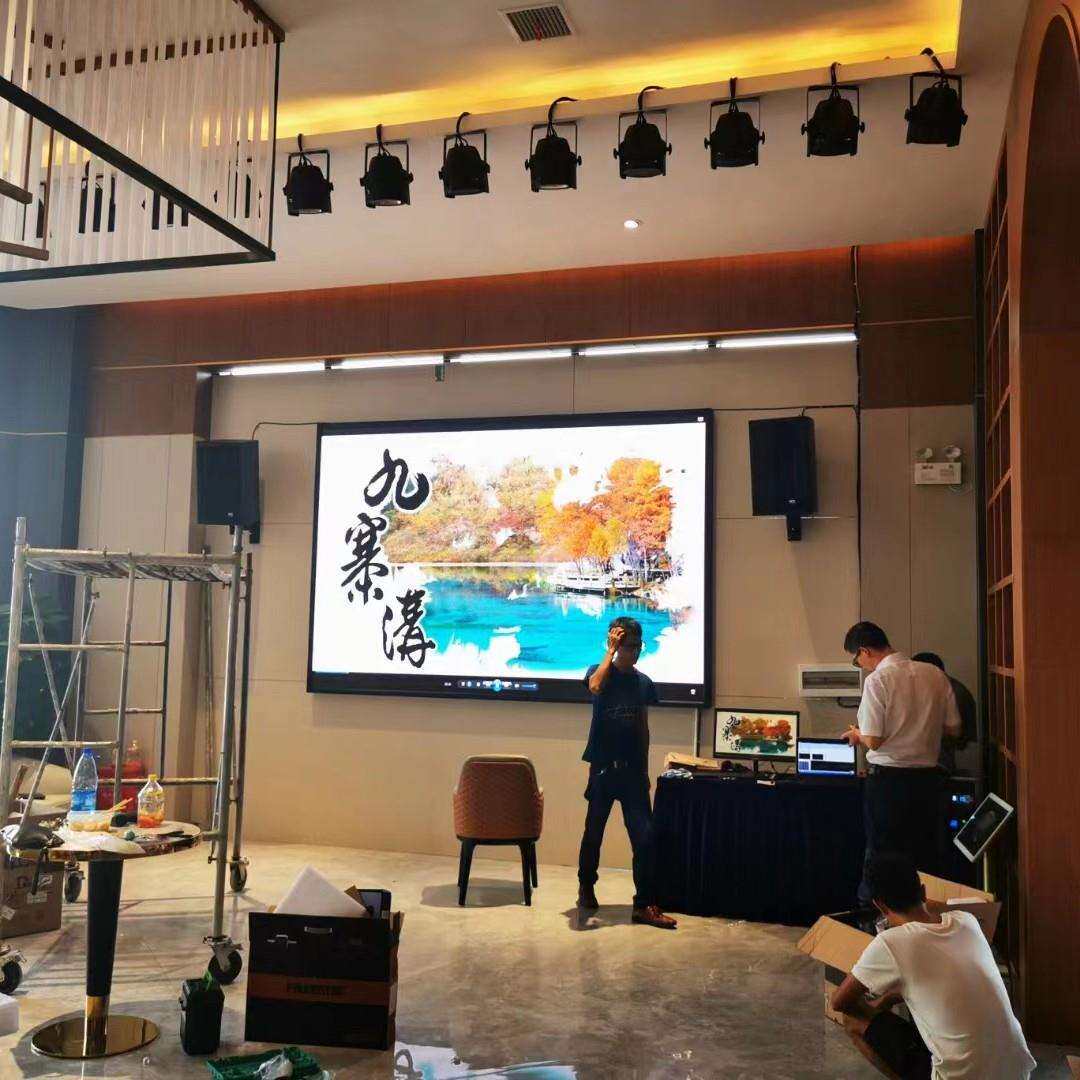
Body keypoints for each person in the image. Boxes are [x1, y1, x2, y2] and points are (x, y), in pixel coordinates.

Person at [831, 852, 1035, 1080]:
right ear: (923, 891)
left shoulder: (890, 943)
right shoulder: (966, 920)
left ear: (879, 904)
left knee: (853, 1019)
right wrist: (889, 998)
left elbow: (839, 1002)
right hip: (1016, 1071)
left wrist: (880, 1002)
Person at [843, 622, 961, 902]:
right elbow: (954, 729)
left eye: (857, 660)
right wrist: (920, 728)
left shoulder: (878, 681)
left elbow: (873, 740)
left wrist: (857, 734)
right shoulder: (934, 674)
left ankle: (882, 919)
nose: (861, 666)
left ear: (864, 651)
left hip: (888, 784)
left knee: (883, 858)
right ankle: (925, 916)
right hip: (930, 782)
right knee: (925, 855)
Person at [577, 616, 676, 930]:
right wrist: (610, 651)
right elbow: (595, 687)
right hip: (603, 771)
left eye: (636, 646)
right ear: (615, 644)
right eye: (627, 645)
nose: (633, 651)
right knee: (593, 835)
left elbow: (643, 728)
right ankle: (586, 887)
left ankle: (644, 905)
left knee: (644, 839)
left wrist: (645, 771)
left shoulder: (643, 683)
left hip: (633, 773)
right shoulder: (598, 673)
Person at [911, 652, 977, 775]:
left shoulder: (952, 692)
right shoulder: (949, 687)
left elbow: (953, 732)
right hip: (944, 755)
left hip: (945, 758)